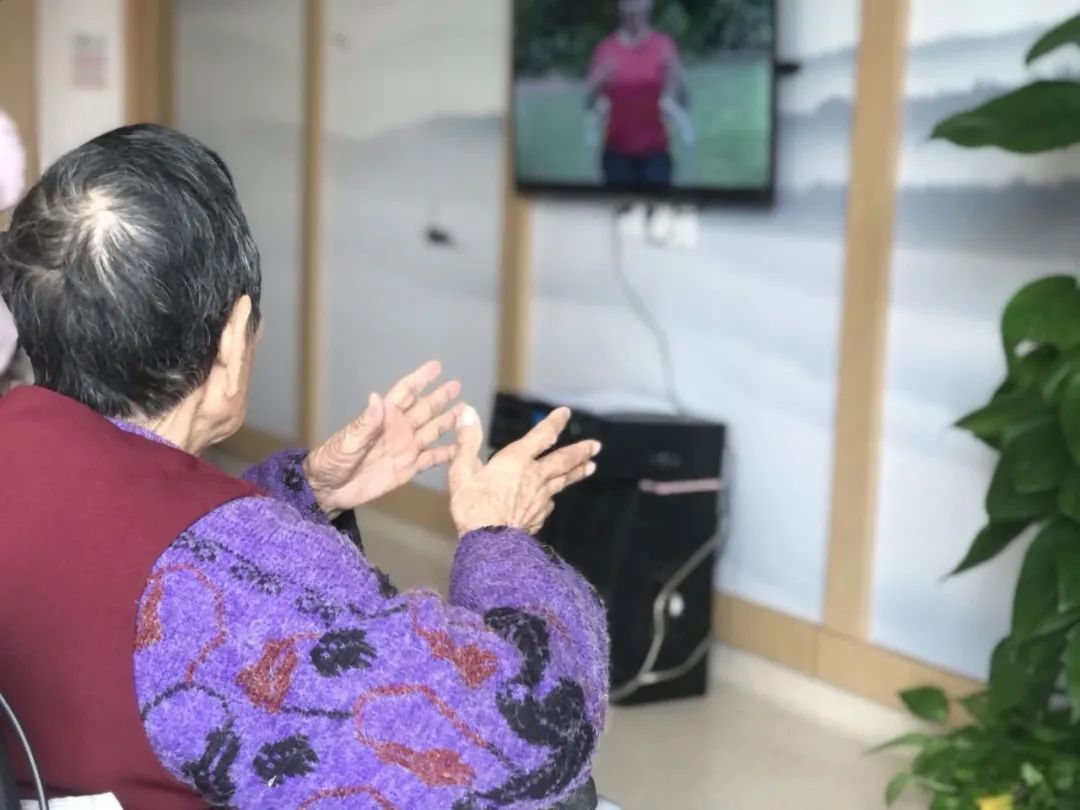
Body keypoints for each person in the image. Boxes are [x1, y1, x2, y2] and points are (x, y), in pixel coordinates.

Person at [0, 124, 609, 810]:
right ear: (233, 339)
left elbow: (121, 553)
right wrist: (500, 536)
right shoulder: (219, 580)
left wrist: (305, 491)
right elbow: (533, 735)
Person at [585, 0, 692, 190]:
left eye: (639, 3)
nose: (634, 9)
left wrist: (677, 76)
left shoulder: (663, 45)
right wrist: (598, 81)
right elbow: (589, 102)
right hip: (616, 152)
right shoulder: (607, 49)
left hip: (656, 152)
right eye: (628, 3)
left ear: (649, 5)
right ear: (620, 7)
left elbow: (684, 100)